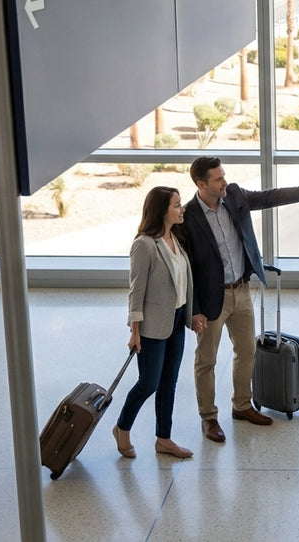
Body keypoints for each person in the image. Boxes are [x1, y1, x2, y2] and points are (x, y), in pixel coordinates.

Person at [180, 156, 299, 441]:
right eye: (218, 179)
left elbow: (271, 197)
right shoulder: (188, 216)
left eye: (224, 175)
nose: (224, 182)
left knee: (247, 352)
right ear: (200, 184)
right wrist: (193, 311)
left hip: (241, 290)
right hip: (210, 300)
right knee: (206, 361)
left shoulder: (235, 196)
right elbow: (185, 268)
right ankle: (209, 417)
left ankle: (242, 406)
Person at [112, 186, 208, 460]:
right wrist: (135, 331)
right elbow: (136, 291)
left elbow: (181, 283)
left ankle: (163, 439)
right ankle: (122, 427)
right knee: (149, 383)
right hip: (152, 326)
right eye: (177, 205)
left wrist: (191, 315)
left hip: (177, 320)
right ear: (161, 210)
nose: (182, 209)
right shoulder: (144, 244)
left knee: (170, 383)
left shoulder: (176, 238)